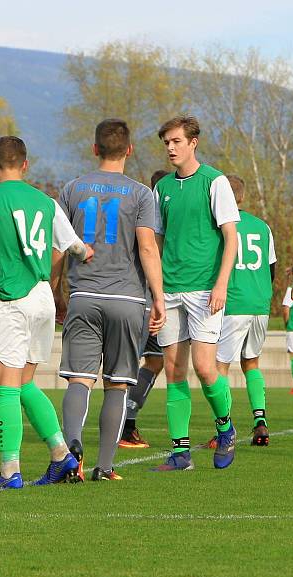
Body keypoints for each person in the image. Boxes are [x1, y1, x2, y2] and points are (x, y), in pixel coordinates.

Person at [0, 135, 93, 490]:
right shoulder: (46, 202)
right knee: (24, 383)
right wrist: (86, 253)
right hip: (42, 298)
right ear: (25, 165)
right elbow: (76, 246)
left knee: (5, 387)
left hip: (11, 298)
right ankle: (61, 455)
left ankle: (10, 473)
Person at [54, 119, 165, 481]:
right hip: (128, 299)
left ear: (94, 148)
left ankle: (70, 456)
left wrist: (56, 289)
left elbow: (60, 246)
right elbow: (147, 246)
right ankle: (105, 465)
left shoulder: (72, 189)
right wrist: (159, 298)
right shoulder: (141, 194)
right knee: (117, 383)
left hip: (84, 295)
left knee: (79, 380)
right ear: (129, 151)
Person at [151, 115, 240, 471]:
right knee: (173, 371)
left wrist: (221, 284)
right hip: (170, 290)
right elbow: (155, 243)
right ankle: (180, 453)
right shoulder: (163, 189)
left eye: (175, 142)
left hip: (205, 289)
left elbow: (231, 237)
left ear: (193, 143)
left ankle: (226, 428)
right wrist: (154, 293)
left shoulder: (215, 182)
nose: (170, 148)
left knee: (205, 368)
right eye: (166, 143)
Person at [214, 174, 276, 447]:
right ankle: (260, 421)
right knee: (251, 363)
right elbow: (271, 268)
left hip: (234, 303)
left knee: (219, 367)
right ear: (243, 197)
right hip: (260, 304)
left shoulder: (221, 226)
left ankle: (224, 429)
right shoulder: (263, 227)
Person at [120, 168, 169, 449]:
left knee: (155, 361)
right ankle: (123, 427)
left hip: (152, 301)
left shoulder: (148, 212)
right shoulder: (148, 215)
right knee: (129, 364)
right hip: (143, 301)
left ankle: (129, 421)